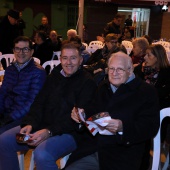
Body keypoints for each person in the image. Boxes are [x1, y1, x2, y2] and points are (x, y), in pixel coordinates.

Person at [0, 43, 98, 170]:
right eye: (65, 58)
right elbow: (38, 103)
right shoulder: (54, 76)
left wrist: (49, 131)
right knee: (4, 142)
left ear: (80, 60)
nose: (68, 62)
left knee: (42, 154)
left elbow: (76, 120)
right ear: (60, 59)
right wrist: (30, 123)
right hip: (42, 126)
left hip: (71, 132)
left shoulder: (87, 82)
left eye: (73, 58)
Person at [72, 51, 160, 170]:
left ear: (130, 70)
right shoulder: (103, 86)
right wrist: (81, 114)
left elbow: (150, 127)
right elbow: (93, 108)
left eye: (120, 69)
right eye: (111, 69)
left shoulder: (145, 92)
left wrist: (122, 127)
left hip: (124, 154)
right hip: (94, 149)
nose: (114, 73)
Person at [0, 36, 46, 135]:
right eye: (17, 49)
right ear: (13, 51)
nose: (21, 52)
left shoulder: (38, 72)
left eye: (25, 49)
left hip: (24, 118)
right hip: (6, 114)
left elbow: (31, 103)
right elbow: (2, 93)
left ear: (31, 52)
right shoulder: (10, 69)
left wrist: (9, 118)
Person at [134, 44, 170, 170]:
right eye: (145, 54)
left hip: (158, 111)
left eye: (149, 55)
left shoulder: (167, 73)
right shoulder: (140, 70)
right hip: (139, 109)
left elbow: (164, 95)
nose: (145, 58)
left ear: (158, 57)